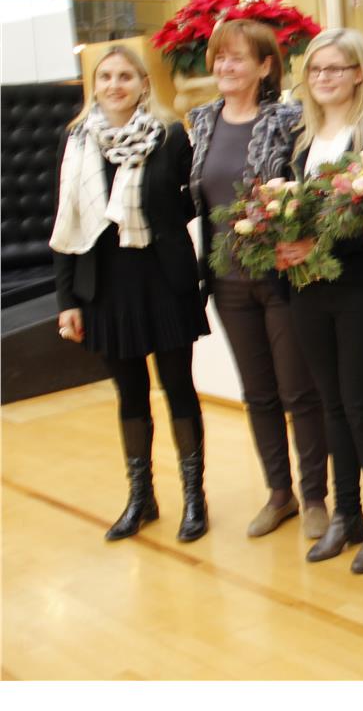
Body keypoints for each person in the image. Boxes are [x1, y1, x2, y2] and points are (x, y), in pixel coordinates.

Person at [50, 44, 210, 542]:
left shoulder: (170, 136)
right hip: (104, 289)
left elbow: (194, 202)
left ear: (143, 84)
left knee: (178, 388)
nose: (114, 85)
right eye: (105, 77)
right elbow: (67, 222)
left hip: (164, 282)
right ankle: (141, 498)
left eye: (125, 76)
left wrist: (155, 213)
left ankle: (194, 498)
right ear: (93, 86)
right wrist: (66, 301)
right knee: (130, 395)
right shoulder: (77, 141)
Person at [188, 19, 329, 540]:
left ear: (265, 66)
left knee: (299, 391)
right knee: (258, 393)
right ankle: (279, 493)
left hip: (282, 276)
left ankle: (315, 496)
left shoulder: (289, 121)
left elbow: (312, 191)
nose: (226, 66)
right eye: (220, 57)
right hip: (226, 280)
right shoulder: (200, 121)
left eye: (239, 57)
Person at [276, 29, 363, 573]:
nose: (323, 77)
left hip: (357, 289)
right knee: (330, 406)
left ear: (357, 73)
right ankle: (345, 515)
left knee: (361, 407)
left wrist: (318, 245)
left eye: (335, 68)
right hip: (307, 290)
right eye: (315, 69)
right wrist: (282, 244)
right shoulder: (300, 142)